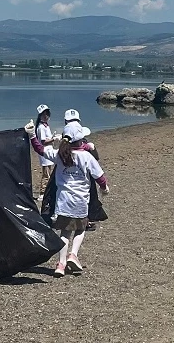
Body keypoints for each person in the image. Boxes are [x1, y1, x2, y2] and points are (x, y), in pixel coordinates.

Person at [25, 119, 108, 278]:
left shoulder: (60, 155)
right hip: (81, 201)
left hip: (62, 202)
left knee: (64, 233)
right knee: (81, 229)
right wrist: (104, 189)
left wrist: (31, 135)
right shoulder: (86, 157)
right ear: (81, 139)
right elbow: (100, 177)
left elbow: (40, 150)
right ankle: (73, 255)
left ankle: (60, 264)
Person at [34, 104, 59, 201]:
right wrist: (54, 139)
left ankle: (47, 191)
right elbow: (43, 141)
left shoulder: (45, 126)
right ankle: (42, 193)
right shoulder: (41, 127)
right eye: (44, 114)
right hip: (45, 153)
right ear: (40, 116)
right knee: (46, 174)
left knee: (49, 172)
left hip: (49, 152)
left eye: (47, 114)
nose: (46, 116)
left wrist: (53, 138)